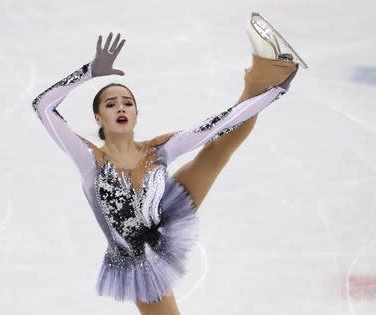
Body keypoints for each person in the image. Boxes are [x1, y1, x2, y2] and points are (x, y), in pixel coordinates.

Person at [31, 12, 303, 315]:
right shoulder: (90, 161)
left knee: (218, 148)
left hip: (166, 217)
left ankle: (261, 74)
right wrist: (89, 71)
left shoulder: (157, 150)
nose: (120, 106)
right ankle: (264, 76)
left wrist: (271, 93)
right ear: (99, 117)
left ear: (135, 113)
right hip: (136, 262)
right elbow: (43, 107)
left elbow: (220, 124)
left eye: (127, 102)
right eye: (110, 104)